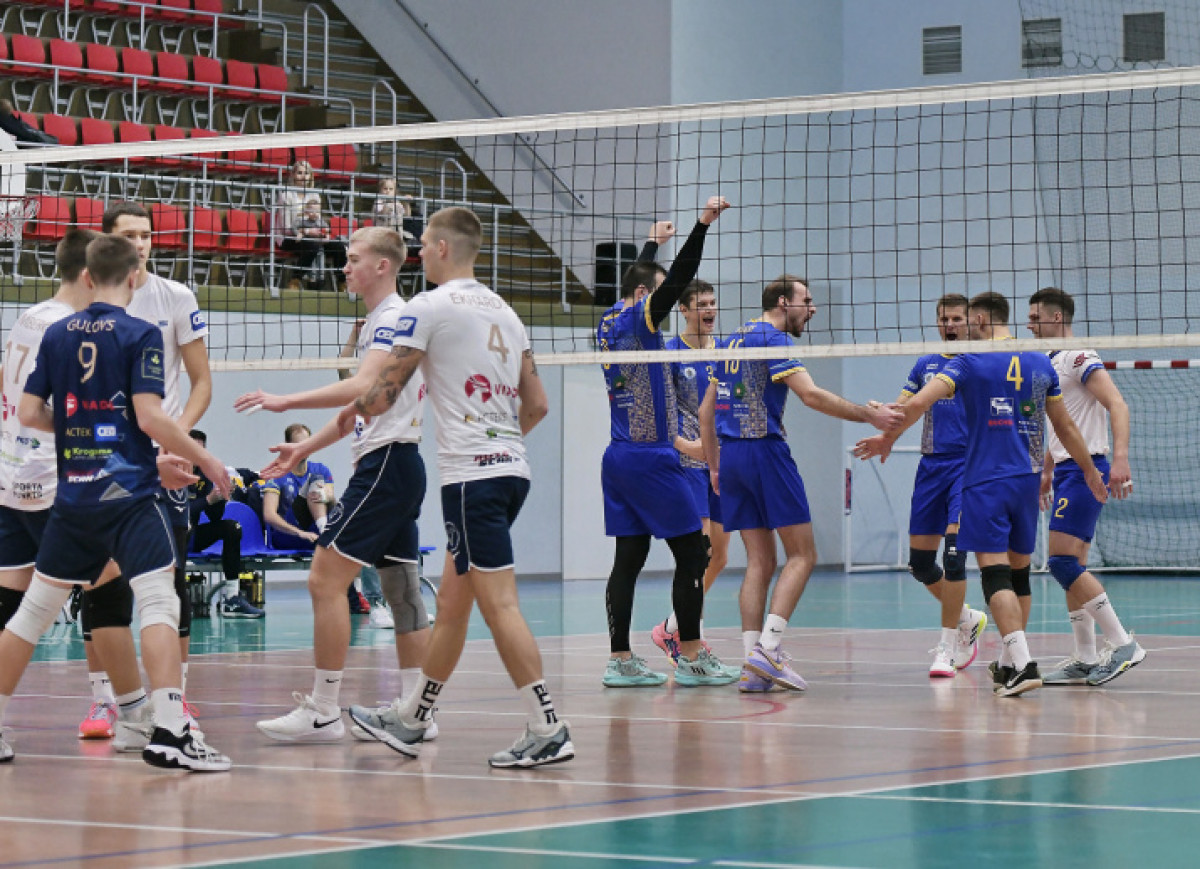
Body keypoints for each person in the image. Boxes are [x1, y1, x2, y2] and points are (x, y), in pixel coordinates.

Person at [318, 205, 569, 767]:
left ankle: (547, 726)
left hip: (472, 479)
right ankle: (414, 716)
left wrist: (328, 412)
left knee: (499, 606)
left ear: (442, 248)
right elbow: (537, 405)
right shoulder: (507, 312)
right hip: (511, 470)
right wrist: (499, 441)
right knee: (453, 607)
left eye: (424, 244)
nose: (419, 253)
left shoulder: (427, 307)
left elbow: (381, 395)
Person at [0, 234, 231, 770]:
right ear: (133, 277)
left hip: (70, 496)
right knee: (158, 600)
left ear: (87, 275)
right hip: (126, 494)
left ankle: (130, 715)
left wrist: (79, 430)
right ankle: (170, 730)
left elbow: (30, 413)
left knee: (30, 615)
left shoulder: (54, 331)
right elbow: (148, 417)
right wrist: (204, 458)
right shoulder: (141, 332)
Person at [856, 291, 1108, 697]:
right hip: (1026, 482)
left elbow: (917, 404)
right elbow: (1065, 427)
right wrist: (1090, 470)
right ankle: (1009, 662)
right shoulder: (1040, 361)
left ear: (979, 321)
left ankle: (1022, 664)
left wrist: (886, 436)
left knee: (995, 574)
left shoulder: (968, 362)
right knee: (1020, 574)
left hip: (985, 481)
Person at [242, 226, 432, 746]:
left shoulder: (392, 317)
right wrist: (303, 448)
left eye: (353, 259)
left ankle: (324, 710)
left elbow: (363, 386)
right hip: (395, 464)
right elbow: (357, 410)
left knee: (324, 580)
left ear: (383, 266)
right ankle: (417, 712)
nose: (343, 267)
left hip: (387, 465)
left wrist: (286, 401)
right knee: (401, 590)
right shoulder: (378, 321)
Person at [698, 276, 903, 692]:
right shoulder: (774, 340)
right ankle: (770, 649)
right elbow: (811, 396)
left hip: (732, 457)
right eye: (805, 301)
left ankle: (752, 664)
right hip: (765, 452)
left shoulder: (731, 340)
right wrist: (869, 415)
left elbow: (706, 413)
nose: (812, 309)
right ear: (782, 302)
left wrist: (716, 467)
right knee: (803, 554)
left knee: (759, 562)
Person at [77, 201, 213, 742]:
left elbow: (202, 382)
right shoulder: (89, 301)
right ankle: (103, 700)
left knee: (171, 579)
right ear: (108, 242)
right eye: (129, 235)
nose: (140, 243)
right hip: (106, 458)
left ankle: (174, 696)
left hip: (165, 460)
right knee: (100, 577)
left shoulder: (175, 297)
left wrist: (176, 438)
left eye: (147, 235)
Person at [598, 198, 738, 689]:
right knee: (695, 554)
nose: (663, 301)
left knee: (628, 560)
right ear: (644, 295)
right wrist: (701, 226)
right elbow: (677, 279)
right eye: (656, 295)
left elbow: (640, 280)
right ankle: (693, 655)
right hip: (653, 457)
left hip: (618, 456)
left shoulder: (610, 319)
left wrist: (651, 245)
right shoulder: (642, 320)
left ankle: (619, 660)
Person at [853, 294, 988, 678]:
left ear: (972, 322)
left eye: (957, 319)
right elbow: (904, 407)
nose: (950, 325)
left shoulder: (980, 363)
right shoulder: (925, 364)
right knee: (921, 564)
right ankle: (966, 618)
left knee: (954, 556)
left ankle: (947, 647)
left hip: (968, 465)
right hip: (931, 466)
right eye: (944, 319)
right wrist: (884, 430)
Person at [1026, 287, 1145, 685]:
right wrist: (1047, 470)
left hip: (1085, 469)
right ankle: (1086, 656)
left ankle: (1123, 643)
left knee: (1061, 563)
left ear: (1056, 318)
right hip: (1066, 470)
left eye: (1035, 317)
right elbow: (1064, 425)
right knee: (1072, 566)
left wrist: (1120, 459)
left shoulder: (1079, 357)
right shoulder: (1049, 360)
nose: (1029, 324)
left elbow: (1118, 404)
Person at [0, 229, 98, 639]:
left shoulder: (31, 315)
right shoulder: (74, 329)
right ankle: (107, 682)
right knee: (103, 585)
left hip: (11, 475)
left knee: (10, 597)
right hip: (52, 479)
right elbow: (54, 411)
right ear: (91, 275)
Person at [650, 278, 732, 662]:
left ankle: (670, 627)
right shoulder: (670, 353)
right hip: (687, 463)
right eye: (702, 304)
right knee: (699, 554)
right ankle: (691, 639)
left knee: (720, 557)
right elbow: (659, 412)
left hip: (720, 463)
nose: (710, 309)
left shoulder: (726, 352)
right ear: (683, 309)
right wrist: (685, 446)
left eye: (713, 303)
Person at [186, 429, 263, 619]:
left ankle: (232, 598)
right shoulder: (170, 473)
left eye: (200, 451)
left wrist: (221, 497)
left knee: (231, 528)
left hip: (192, 537)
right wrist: (207, 500)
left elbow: (214, 517)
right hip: (171, 538)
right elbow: (177, 512)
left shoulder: (204, 476)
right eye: (192, 449)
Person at [273, 160, 347, 292]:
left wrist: (322, 233)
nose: (303, 176)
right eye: (299, 173)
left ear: (310, 176)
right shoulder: (285, 196)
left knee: (339, 246)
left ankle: (342, 282)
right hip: (290, 237)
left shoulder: (315, 196)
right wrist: (307, 231)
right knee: (312, 246)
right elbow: (286, 228)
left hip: (314, 236)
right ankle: (295, 280)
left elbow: (318, 221)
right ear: (293, 175)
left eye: (306, 173)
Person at [259, 422, 333, 551]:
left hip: (314, 534)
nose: (304, 449)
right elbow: (269, 515)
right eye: (299, 445)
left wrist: (323, 494)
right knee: (315, 479)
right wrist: (299, 533)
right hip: (288, 536)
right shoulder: (277, 474)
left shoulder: (321, 469)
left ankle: (326, 533)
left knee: (336, 500)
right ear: (288, 446)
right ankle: (325, 533)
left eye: (307, 444)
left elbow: (331, 497)